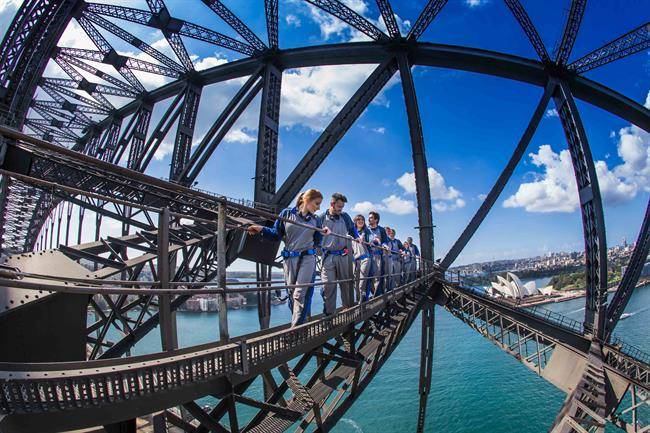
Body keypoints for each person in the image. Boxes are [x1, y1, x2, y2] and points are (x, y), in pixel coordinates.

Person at [247, 189, 330, 327]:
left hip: (308, 259)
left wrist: (324, 232)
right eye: (317, 203)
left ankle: (296, 329)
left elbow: (317, 241)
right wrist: (259, 228)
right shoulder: (286, 214)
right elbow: (275, 234)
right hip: (289, 259)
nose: (319, 207)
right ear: (306, 200)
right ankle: (300, 324)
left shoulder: (316, 220)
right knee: (292, 294)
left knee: (300, 293)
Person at [319, 193, 358, 315]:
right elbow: (314, 234)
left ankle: (348, 310)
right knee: (328, 285)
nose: (341, 209)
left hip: (343, 255)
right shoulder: (321, 217)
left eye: (342, 206)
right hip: (327, 256)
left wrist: (357, 237)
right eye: (339, 206)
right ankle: (329, 314)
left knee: (346, 284)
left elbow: (352, 230)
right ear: (332, 204)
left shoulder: (345, 217)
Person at [367, 211, 389, 297]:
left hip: (377, 255)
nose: (369, 219)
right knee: (367, 277)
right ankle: (370, 294)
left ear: (376, 220)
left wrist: (384, 245)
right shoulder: (366, 228)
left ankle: (376, 296)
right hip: (367, 255)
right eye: (369, 217)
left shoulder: (381, 229)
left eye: (371, 217)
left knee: (377, 276)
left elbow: (384, 241)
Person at [352, 214, 372, 303]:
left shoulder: (366, 232)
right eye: (358, 220)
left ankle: (361, 301)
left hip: (365, 258)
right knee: (355, 282)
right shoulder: (351, 232)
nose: (361, 221)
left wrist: (373, 241)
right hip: (354, 259)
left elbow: (372, 240)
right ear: (355, 221)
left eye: (362, 220)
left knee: (362, 281)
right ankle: (358, 300)